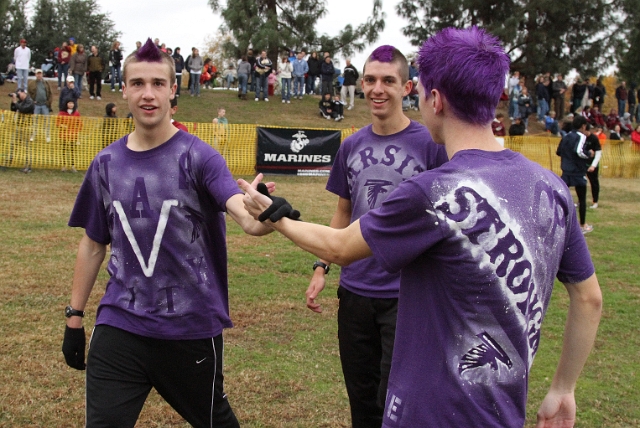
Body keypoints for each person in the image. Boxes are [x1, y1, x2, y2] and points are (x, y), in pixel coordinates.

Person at [239, 26, 601, 428]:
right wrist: (564, 388)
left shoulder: (435, 191)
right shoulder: (551, 188)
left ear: (434, 98)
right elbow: (589, 299)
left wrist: (277, 215)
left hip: (427, 413)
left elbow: (341, 246)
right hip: (502, 414)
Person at [61, 38, 274, 428]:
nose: (148, 94)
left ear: (173, 90)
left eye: (158, 83)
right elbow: (93, 243)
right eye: (138, 83)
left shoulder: (199, 156)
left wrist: (266, 213)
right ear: (123, 89)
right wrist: (74, 317)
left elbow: (244, 217)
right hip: (120, 324)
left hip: (189, 329)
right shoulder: (105, 164)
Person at [305, 45, 447, 428]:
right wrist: (322, 267)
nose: (377, 89)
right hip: (355, 291)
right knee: (361, 398)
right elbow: (343, 213)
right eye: (370, 80)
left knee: (395, 401)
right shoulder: (350, 146)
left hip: (408, 293)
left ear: (407, 87)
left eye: (388, 80)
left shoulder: (432, 146)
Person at [557, 115, 594, 234]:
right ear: (583, 126)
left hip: (566, 171)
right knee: (581, 199)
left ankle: (558, 224)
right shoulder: (581, 136)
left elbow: (558, 152)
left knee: (560, 199)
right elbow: (579, 151)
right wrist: (589, 153)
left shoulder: (566, 136)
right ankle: (582, 225)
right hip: (577, 172)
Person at [7, 89, 35, 173]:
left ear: (24, 93)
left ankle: (28, 165)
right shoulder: (20, 102)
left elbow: (23, 109)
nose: (18, 95)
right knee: (14, 144)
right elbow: (13, 109)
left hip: (27, 126)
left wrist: (16, 102)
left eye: (19, 93)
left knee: (27, 147)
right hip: (19, 126)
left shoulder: (30, 101)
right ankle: (9, 161)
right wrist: (13, 102)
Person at [56, 98, 82, 172]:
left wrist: (77, 131)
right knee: (64, 150)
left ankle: (73, 166)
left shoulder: (76, 113)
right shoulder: (61, 113)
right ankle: (64, 166)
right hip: (64, 134)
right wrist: (62, 126)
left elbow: (80, 124)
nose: (71, 105)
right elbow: (57, 123)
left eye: (72, 103)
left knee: (72, 150)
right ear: (66, 104)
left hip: (73, 135)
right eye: (69, 103)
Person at [27, 69, 53, 143]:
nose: (39, 75)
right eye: (37, 74)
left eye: (40, 73)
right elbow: (29, 94)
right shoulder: (32, 83)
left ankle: (47, 136)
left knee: (47, 121)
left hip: (45, 105)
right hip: (36, 105)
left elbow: (50, 94)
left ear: (42, 74)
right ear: (35, 75)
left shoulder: (46, 83)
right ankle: (33, 135)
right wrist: (32, 101)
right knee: (35, 121)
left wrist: (48, 102)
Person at [584, 125, 602, 209]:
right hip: (583, 164)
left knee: (594, 183)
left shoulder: (594, 138)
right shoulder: (581, 138)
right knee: (581, 183)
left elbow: (598, 153)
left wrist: (593, 166)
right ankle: (581, 201)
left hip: (592, 165)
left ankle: (595, 201)